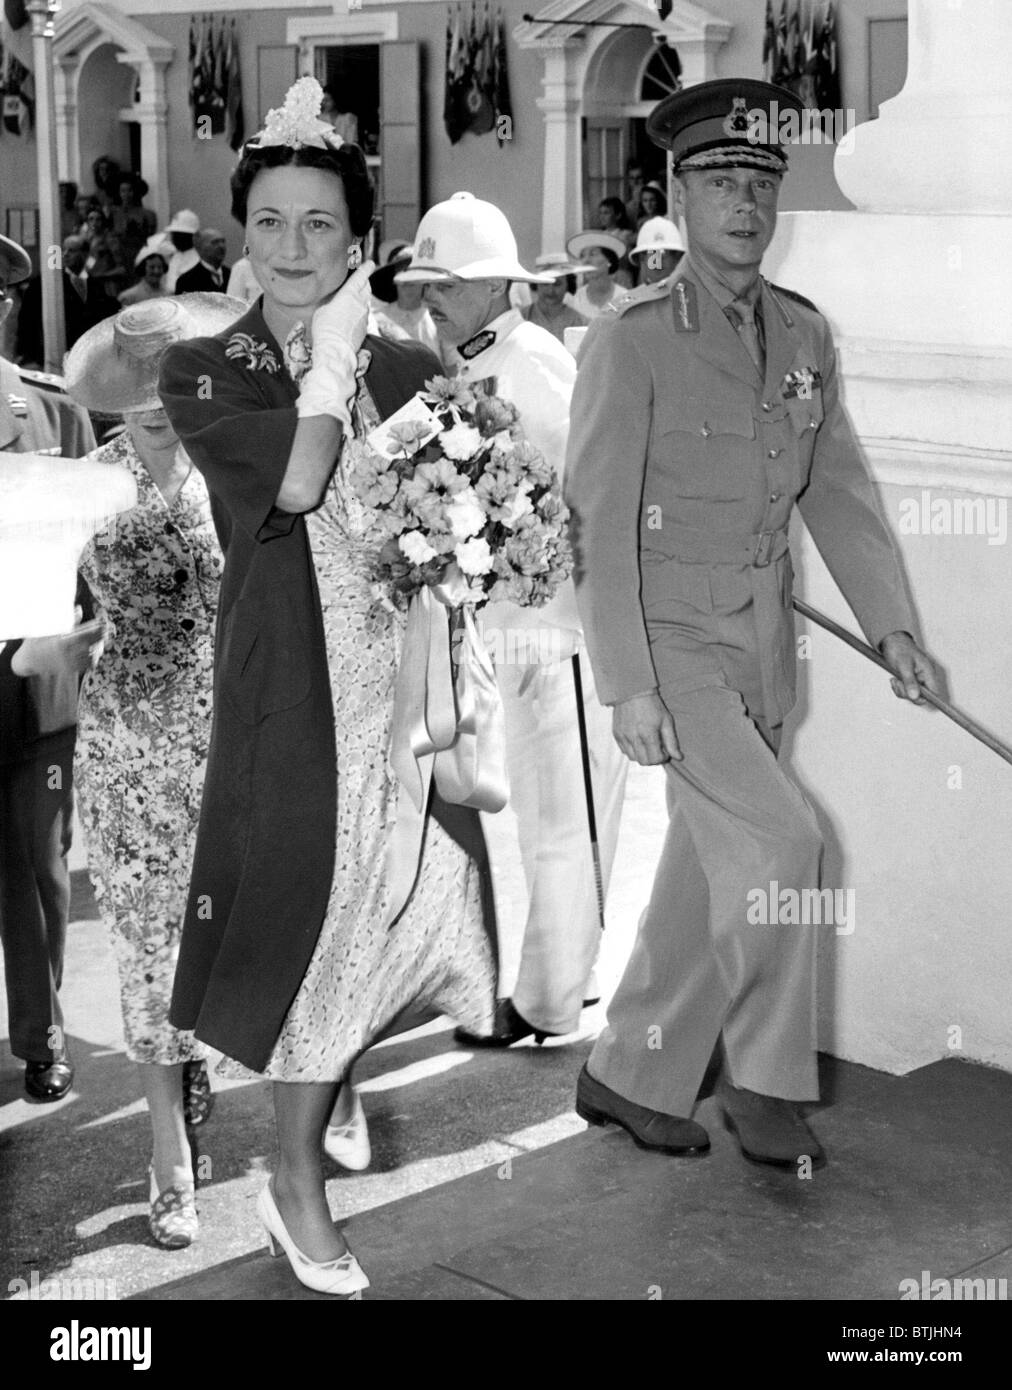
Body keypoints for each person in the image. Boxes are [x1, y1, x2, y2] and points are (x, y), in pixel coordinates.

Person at [157, 78, 497, 1296]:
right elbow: (300, 487)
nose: (293, 248)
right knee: (318, 920)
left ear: (358, 243)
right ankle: (293, 1177)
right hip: (293, 697)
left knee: (409, 914)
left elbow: (480, 503)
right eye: (270, 223)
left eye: (319, 227)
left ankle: (325, 1078)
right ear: (240, 235)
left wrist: (475, 496)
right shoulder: (204, 368)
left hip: (406, 693)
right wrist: (332, 366)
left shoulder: (409, 361)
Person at [565, 79, 940, 1167]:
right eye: (720, 182)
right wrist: (627, 681)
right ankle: (765, 1085)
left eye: (759, 183)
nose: (743, 203)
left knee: (703, 864)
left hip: (763, 645)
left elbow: (841, 489)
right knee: (784, 840)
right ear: (675, 196)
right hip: (670, 641)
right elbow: (592, 520)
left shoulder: (803, 334)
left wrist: (894, 630)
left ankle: (624, 1070)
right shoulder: (629, 340)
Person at [401, 193, 627, 1049]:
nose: (430, 297)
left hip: (560, 623)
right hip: (508, 625)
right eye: (425, 281)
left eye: (446, 283)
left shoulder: (532, 362)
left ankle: (546, 1002)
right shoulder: (458, 360)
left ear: (498, 287)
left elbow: (589, 486)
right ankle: (571, 976)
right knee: (545, 814)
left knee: (564, 817)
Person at [60, 294, 241, 1248]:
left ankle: (195, 1050)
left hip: (221, 743)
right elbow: (50, 606)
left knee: (211, 944)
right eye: (136, 389)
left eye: (171, 383)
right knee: (144, 957)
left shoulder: (233, 470)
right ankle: (171, 1171)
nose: (155, 404)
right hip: (125, 746)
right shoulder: (84, 485)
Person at [0, 232, 98, 1104]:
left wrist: (87, 634)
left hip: (34, 683)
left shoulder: (55, 413)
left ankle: (41, 1036)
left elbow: (96, 554)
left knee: (40, 869)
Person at [15, 235, 116, 367]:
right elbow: (27, 320)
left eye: (72, 251)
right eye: (64, 250)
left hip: (86, 360)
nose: (66, 255)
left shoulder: (95, 285)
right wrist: (27, 356)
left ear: (85, 254)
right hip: (51, 359)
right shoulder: (44, 283)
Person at [370, 243, 440, 356]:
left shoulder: (439, 320)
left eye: (413, 272)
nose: (407, 279)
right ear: (394, 278)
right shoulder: (375, 320)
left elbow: (452, 368)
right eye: (402, 271)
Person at [520, 253, 589, 343]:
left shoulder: (580, 322)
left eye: (557, 284)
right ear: (536, 284)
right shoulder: (521, 318)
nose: (550, 291)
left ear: (567, 285)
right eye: (545, 283)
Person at [567, 229, 628, 319]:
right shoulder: (577, 300)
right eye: (582, 256)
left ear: (609, 260)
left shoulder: (624, 297)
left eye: (593, 254)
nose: (586, 260)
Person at [110, 174, 157, 271]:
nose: (126, 194)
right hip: (118, 259)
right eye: (123, 191)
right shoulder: (113, 213)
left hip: (138, 256)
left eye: (130, 190)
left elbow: (150, 239)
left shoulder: (148, 215)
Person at [81, 207, 128, 302]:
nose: (94, 223)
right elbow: (92, 260)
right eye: (91, 219)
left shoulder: (110, 239)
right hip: (93, 285)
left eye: (98, 219)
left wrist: (102, 275)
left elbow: (121, 269)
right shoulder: (90, 239)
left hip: (109, 286)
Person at [629, 216, 685, 286]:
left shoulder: (692, 294)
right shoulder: (633, 296)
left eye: (662, 252)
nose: (658, 260)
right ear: (642, 258)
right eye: (653, 252)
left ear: (677, 257)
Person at [118, 238, 174, 307]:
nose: (156, 271)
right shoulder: (129, 297)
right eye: (152, 267)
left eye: (160, 267)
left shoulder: (169, 294)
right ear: (142, 269)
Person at [175, 229, 230, 294]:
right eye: (215, 242)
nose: (221, 246)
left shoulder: (231, 275)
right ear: (199, 248)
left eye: (223, 241)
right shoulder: (187, 281)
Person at [161, 211, 201, 293]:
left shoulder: (199, 260)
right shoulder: (174, 256)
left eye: (179, 234)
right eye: (174, 234)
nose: (174, 238)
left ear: (191, 236)